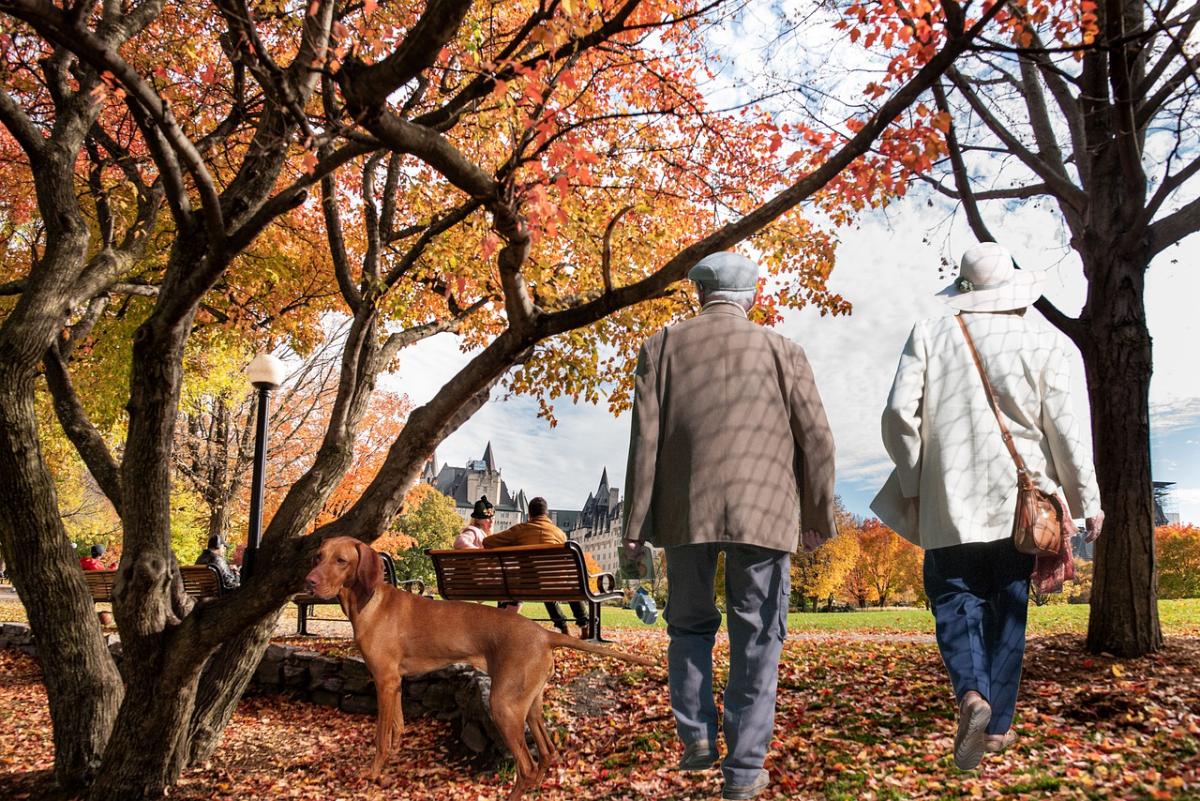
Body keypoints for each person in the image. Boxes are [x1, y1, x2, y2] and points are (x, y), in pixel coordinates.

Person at [872, 241, 1103, 771]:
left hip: (948, 501)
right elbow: (1065, 432)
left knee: (954, 599)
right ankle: (997, 728)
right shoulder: (1042, 343)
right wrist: (1087, 499)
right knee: (1007, 609)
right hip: (1020, 506)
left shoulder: (931, 334)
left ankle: (971, 695)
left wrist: (915, 480)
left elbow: (896, 416)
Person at [621, 251, 837, 801]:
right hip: (764, 513)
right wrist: (816, 515)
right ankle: (743, 770)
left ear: (700, 295)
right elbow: (816, 439)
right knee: (758, 637)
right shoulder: (783, 350)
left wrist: (635, 525)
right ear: (752, 296)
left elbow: (645, 441)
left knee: (688, 627)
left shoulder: (661, 347)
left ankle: (696, 737)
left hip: (684, 514)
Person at [483, 496, 590, 636]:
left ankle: (563, 627)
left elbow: (488, 542)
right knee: (559, 584)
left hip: (527, 584)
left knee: (541, 582)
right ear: (547, 514)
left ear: (530, 514)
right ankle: (584, 624)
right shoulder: (560, 533)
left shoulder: (520, 530)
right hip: (557, 584)